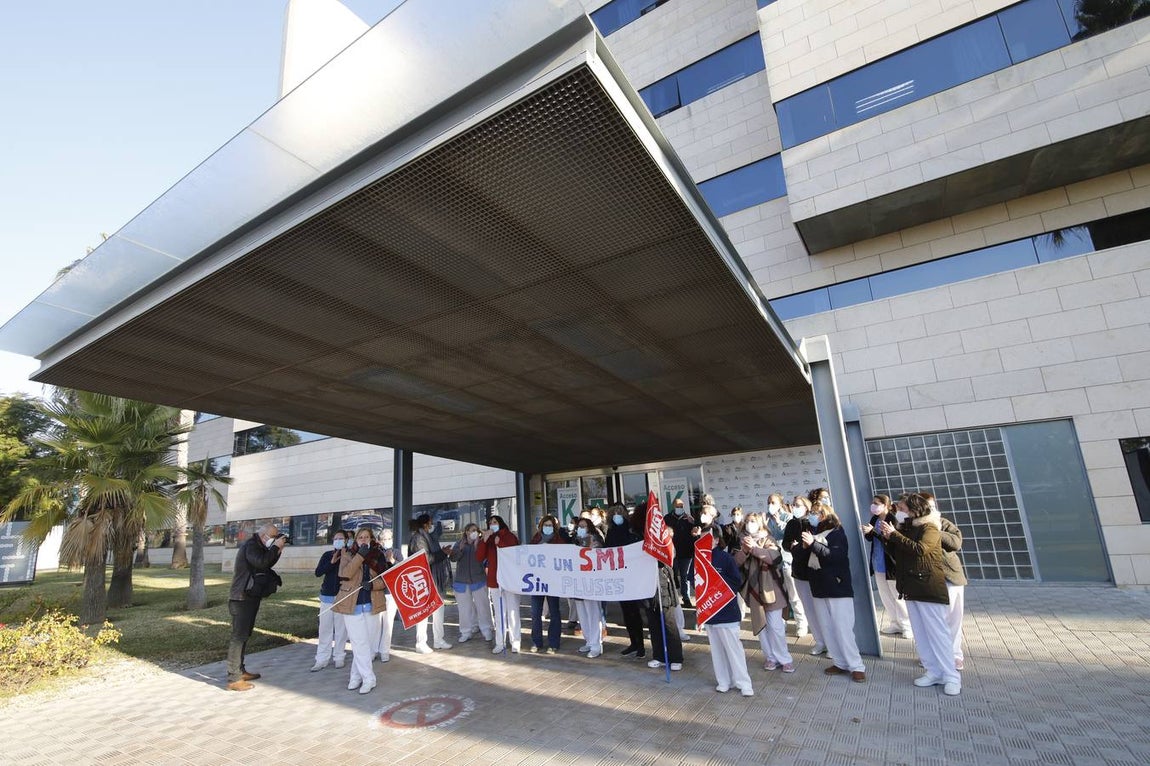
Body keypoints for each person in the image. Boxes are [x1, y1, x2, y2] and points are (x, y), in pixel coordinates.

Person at [879, 493, 960, 696]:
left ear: (915, 510)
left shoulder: (930, 527)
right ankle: (933, 671)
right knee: (921, 633)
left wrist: (895, 535)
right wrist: (889, 537)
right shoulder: (907, 527)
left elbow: (920, 549)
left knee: (937, 633)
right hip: (910, 586)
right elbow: (897, 552)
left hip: (928, 587)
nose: (899, 513)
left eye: (903, 509)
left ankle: (951, 676)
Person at [802, 502, 866, 683]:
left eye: (815, 513)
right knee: (827, 627)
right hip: (819, 586)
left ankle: (856, 666)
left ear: (824, 514)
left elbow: (835, 556)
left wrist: (813, 544)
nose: (811, 517)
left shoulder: (837, 533)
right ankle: (839, 662)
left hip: (837, 587)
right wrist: (803, 546)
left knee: (843, 628)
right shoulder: (813, 533)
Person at [226, 523, 285, 691]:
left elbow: (267, 563)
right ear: (264, 535)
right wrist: (275, 548)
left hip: (249, 597)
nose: (273, 540)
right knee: (239, 636)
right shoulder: (251, 545)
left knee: (245, 635)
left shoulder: (258, 545)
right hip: (241, 598)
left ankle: (239, 670)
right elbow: (261, 562)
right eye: (272, 537)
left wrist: (278, 550)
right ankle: (234, 678)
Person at [334, 527, 392, 694]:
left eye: (367, 537)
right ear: (356, 540)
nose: (364, 540)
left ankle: (355, 676)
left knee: (367, 645)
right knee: (359, 643)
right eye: (360, 537)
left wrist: (374, 585)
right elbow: (345, 574)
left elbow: (386, 579)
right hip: (351, 605)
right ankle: (369, 678)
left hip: (372, 604)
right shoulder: (348, 554)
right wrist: (360, 555)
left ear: (372, 539)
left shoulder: (379, 555)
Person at [734, 512, 794, 673]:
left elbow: (774, 557)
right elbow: (736, 562)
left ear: (760, 523)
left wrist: (754, 549)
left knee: (775, 627)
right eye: (747, 521)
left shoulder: (769, 538)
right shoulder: (742, 541)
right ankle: (770, 657)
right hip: (753, 589)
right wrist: (745, 551)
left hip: (771, 589)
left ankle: (785, 658)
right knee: (761, 626)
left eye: (753, 521)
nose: (749, 524)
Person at [702, 530, 754, 697]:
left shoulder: (725, 558)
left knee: (734, 650)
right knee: (717, 651)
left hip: (726, 612)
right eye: (701, 538)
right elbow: (693, 580)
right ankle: (723, 681)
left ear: (716, 540)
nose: (704, 541)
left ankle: (744, 683)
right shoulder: (699, 558)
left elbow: (736, 580)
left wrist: (718, 586)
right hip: (710, 613)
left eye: (708, 538)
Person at [923, 491, 967, 671]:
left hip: (951, 577)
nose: (931, 509)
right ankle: (936, 655)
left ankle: (955, 654)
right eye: (928, 507)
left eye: (933, 506)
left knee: (954, 619)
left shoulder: (943, 524)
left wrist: (934, 530)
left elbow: (955, 542)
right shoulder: (915, 527)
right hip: (930, 579)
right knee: (936, 621)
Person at [862, 494, 912, 637]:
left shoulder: (892, 519)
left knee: (897, 596)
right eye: (873, 503)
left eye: (877, 503)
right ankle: (895, 623)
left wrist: (875, 533)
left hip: (891, 564)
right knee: (885, 596)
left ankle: (906, 625)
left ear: (886, 506)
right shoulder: (874, 519)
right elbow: (871, 538)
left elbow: (891, 540)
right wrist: (868, 532)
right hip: (878, 563)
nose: (874, 506)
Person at [784, 496, 825, 654]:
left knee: (821, 609)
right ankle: (819, 641)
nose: (795, 507)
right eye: (794, 505)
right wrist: (793, 546)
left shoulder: (813, 523)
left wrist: (803, 546)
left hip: (816, 571)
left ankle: (830, 643)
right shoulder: (792, 523)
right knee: (808, 608)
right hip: (800, 572)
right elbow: (786, 544)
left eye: (798, 505)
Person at [407, 513, 452, 654]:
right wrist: (442, 553)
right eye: (431, 522)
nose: (432, 525)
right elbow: (424, 558)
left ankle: (439, 639)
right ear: (426, 524)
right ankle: (420, 643)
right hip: (424, 579)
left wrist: (442, 552)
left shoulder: (428, 537)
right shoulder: (418, 538)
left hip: (435, 579)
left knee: (438, 609)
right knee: (424, 611)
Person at [478, 514, 521, 654]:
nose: (492, 525)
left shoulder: (509, 536)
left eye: (495, 522)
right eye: (490, 523)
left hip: (509, 580)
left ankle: (515, 641)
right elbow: (479, 557)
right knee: (499, 613)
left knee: (512, 611)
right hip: (494, 580)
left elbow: (515, 553)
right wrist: (484, 541)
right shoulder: (488, 538)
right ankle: (500, 642)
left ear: (501, 523)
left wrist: (499, 543)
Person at [606, 503, 645, 659]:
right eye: (614, 513)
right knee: (626, 612)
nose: (617, 515)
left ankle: (640, 645)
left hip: (631, 575)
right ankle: (633, 643)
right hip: (619, 577)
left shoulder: (631, 529)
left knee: (635, 612)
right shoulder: (611, 531)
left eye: (619, 512)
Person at [766, 493, 806, 636]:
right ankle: (781, 624)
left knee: (794, 595)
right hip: (773, 562)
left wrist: (778, 522)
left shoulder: (787, 517)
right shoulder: (766, 518)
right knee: (778, 596)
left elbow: (788, 535)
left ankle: (801, 623)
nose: (770, 505)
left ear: (780, 504)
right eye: (769, 502)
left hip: (787, 561)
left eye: (773, 502)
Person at [528, 515, 567, 654]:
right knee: (535, 612)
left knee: (554, 612)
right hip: (537, 582)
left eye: (550, 525)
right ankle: (536, 642)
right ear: (541, 526)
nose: (548, 528)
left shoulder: (558, 541)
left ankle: (553, 643)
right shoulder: (535, 539)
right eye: (546, 525)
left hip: (552, 582)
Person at [450, 522, 494, 644]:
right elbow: (453, 558)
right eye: (471, 530)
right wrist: (460, 550)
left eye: (475, 530)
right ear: (466, 532)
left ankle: (486, 629)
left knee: (483, 606)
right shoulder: (459, 544)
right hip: (462, 581)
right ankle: (466, 632)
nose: (473, 532)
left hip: (478, 580)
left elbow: (486, 558)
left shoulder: (480, 543)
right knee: (464, 609)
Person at [311, 529, 348, 671]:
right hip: (327, 596)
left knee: (340, 629)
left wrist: (344, 558)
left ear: (346, 540)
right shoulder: (327, 555)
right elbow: (318, 572)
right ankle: (321, 658)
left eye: (341, 538)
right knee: (325, 628)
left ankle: (339, 656)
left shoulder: (349, 555)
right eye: (336, 538)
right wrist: (331, 563)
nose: (338, 541)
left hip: (342, 596)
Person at [572, 517, 606, 658]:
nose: (581, 528)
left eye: (584, 526)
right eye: (579, 526)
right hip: (578, 581)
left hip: (591, 581)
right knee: (582, 613)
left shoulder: (595, 539)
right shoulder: (574, 540)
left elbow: (598, 556)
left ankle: (596, 644)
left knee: (593, 613)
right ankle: (588, 641)